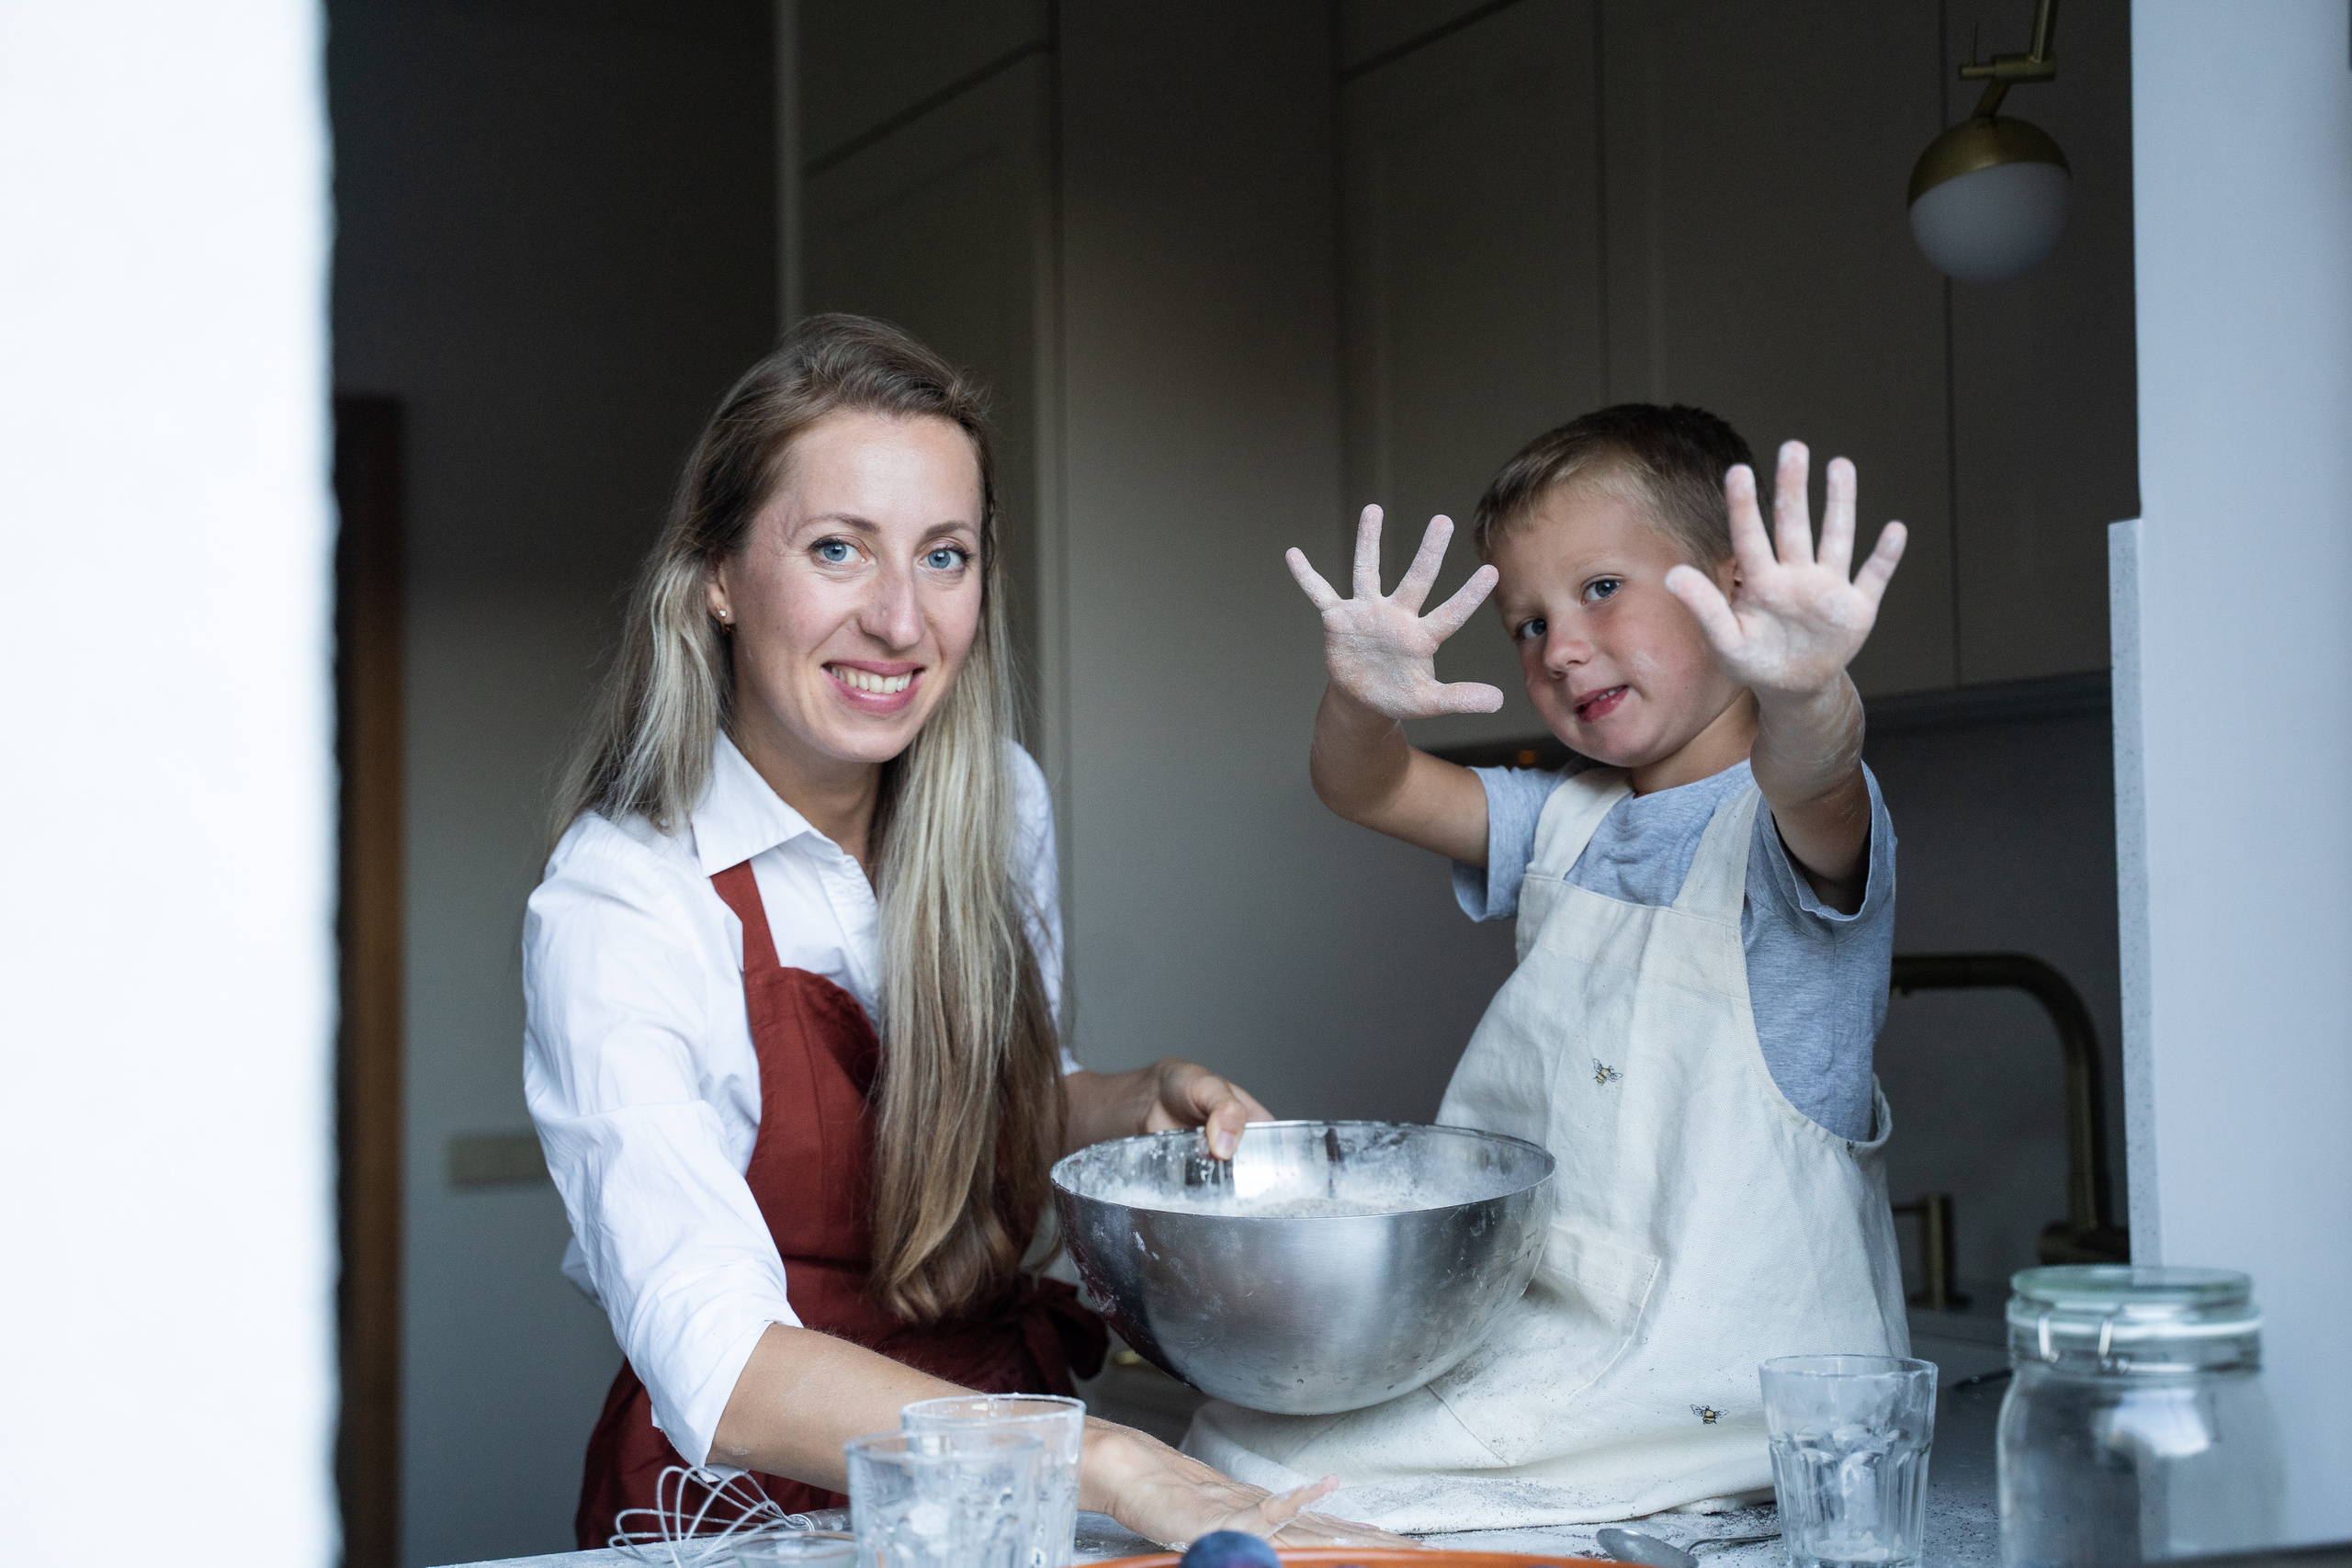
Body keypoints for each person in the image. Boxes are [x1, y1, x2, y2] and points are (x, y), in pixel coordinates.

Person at [526, 314, 1396, 1550]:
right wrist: (1106, 1458)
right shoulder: (624, 898)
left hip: (1000, 1478)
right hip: (752, 1507)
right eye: (838, 548)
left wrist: (1119, 1103)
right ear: (717, 572)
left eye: (945, 555)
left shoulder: (998, 797)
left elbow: (978, 1110)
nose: (900, 618)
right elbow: (719, 1362)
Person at [1185, 405, 1914, 1528]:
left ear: (1734, 585)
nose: (1559, 646)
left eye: (1601, 590)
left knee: (1271, 1483)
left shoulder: (1788, 824)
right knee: (1241, 1432)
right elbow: (1367, 786)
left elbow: (1816, 778)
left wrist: (1806, 688)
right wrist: (1359, 701)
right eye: (1526, 624)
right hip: (1559, 1326)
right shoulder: (1561, 822)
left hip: (1734, 1382)